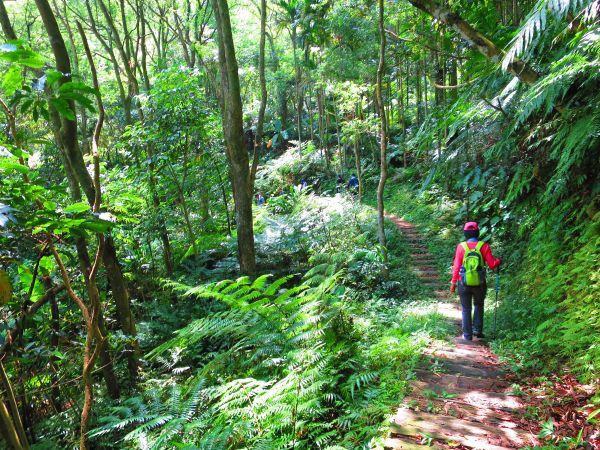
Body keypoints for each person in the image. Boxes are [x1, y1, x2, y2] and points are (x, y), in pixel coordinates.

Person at [450, 221, 501, 341]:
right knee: (479, 304)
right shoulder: (484, 246)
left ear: (465, 233)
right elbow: (492, 265)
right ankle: (478, 330)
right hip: (480, 282)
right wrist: (499, 261)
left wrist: (453, 283)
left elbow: (457, 266)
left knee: (466, 308)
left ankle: (467, 336)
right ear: (477, 232)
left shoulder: (461, 247)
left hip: (463, 282)